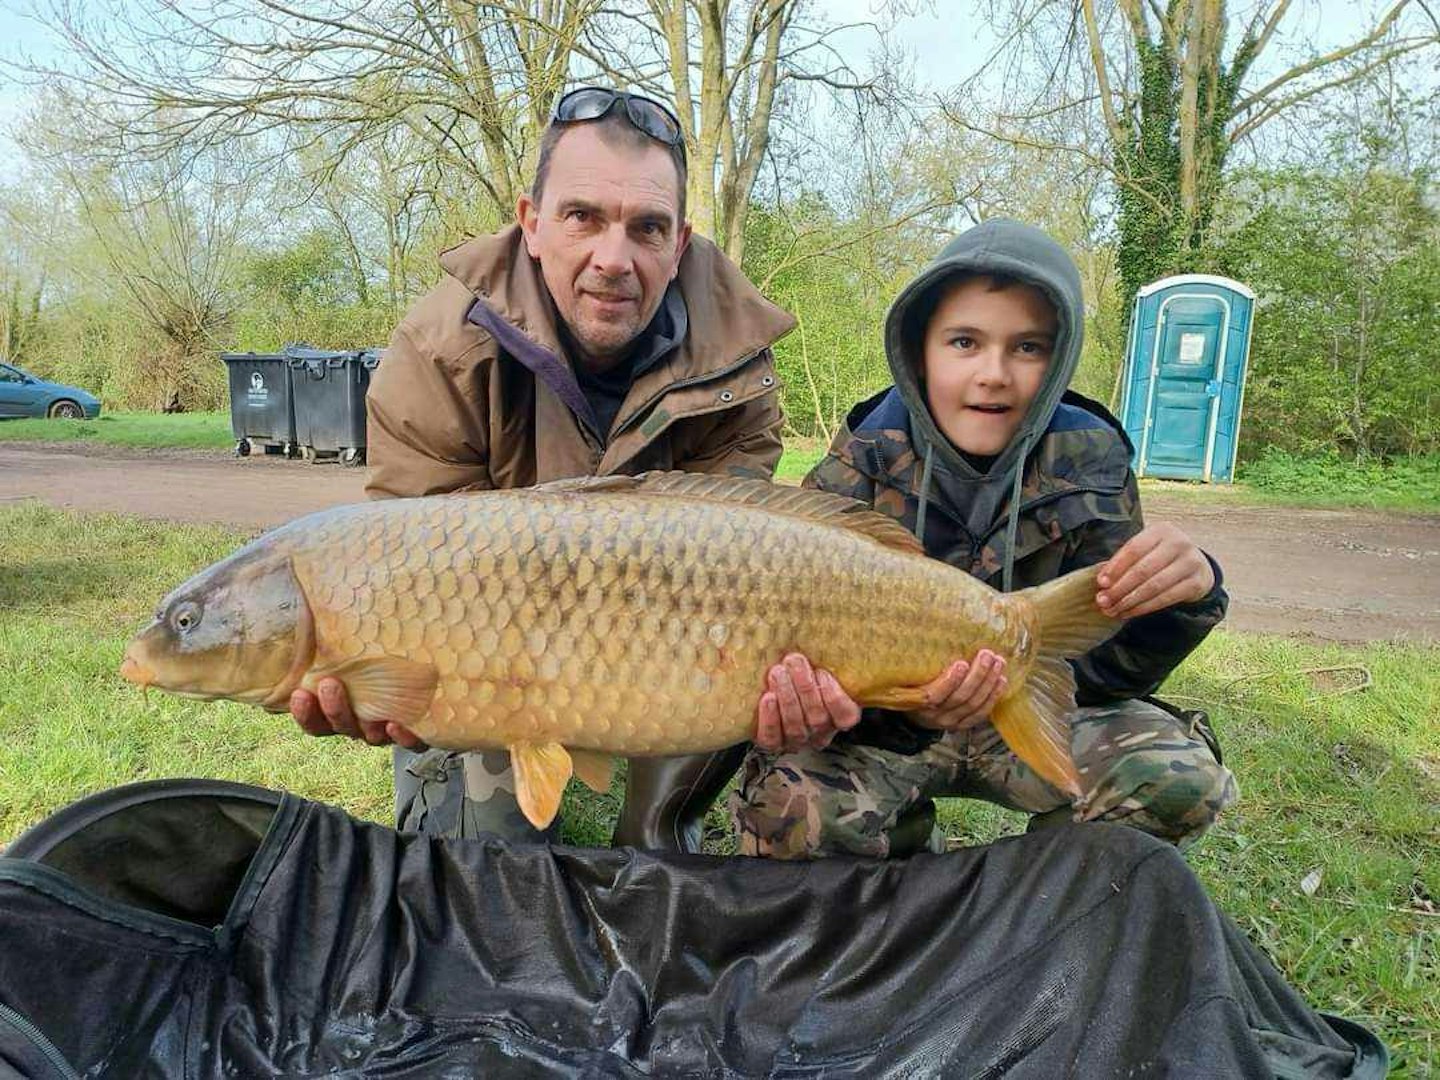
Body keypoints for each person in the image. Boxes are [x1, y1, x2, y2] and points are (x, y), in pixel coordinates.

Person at [287, 86, 802, 852]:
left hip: (676, 637)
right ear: (531, 224)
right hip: (490, 649)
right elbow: (411, 583)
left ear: (681, 242)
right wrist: (375, 683)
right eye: (582, 217)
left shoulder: (736, 364)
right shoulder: (439, 352)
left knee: (747, 671)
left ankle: (656, 832)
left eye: (647, 228)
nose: (613, 258)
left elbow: (740, 571)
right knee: (476, 866)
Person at [731, 218, 1238, 859]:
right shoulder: (860, 461)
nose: (994, 373)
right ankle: (909, 857)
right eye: (964, 342)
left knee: (1177, 779)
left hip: (1026, 722)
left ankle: (1042, 891)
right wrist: (915, 709)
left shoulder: (1090, 457)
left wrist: (1187, 596)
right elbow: (811, 671)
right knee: (786, 805)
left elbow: (1109, 674)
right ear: (920, 352)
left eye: (1028, 348)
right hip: (893, 731)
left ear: (1060, 361)